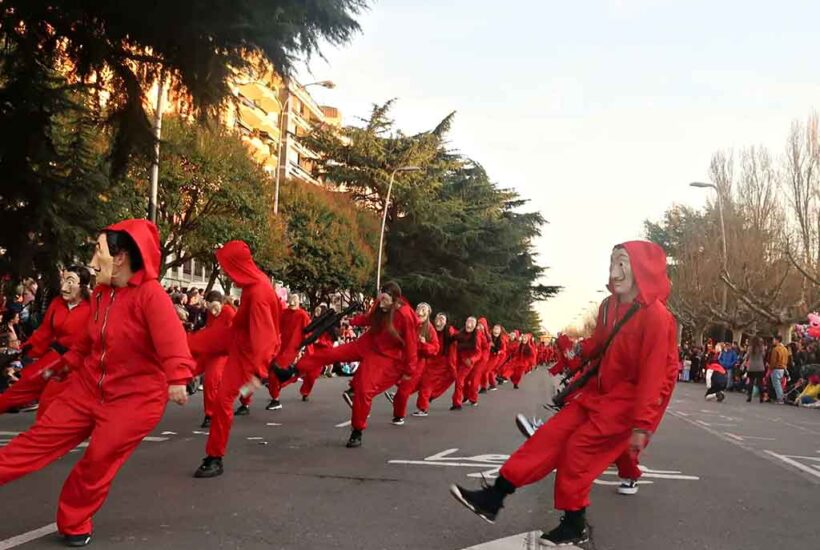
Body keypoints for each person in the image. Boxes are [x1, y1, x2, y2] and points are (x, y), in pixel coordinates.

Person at [450, 241, 678, 547]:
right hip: (598, 394)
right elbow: (598, 344)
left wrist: (642, 424)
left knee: (577, 453)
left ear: (642, 268)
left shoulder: (657, 318)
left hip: (626, 404)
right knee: (546, 439)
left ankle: (574, 524)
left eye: (622, 263)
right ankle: (494, 496)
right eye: (612, 263)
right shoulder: (609, 306)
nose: (614, 271)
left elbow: (654, 375)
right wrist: (573, 348)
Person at [0, 219, 194, 547]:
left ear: (119, 258)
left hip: (133, 402)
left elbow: (173, 342)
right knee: (36, 440)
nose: (92, 261)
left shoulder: (151, 296)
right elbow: (88, 344)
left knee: (97, 461)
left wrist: (178, 378)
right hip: (87, 388)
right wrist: (63, 367)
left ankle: (75, 520)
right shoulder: (102, 294)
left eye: (98, 251)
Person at [276, 282, 418, 448]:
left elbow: (411, 344)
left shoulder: (405, 315)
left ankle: (357, 430)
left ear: (394, 299)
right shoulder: (380, 305)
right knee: (330, 353)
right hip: (366, 344)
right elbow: (370, 319)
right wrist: (352, 321)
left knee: (364, 391)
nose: (382, 304)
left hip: (383, 356)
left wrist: (410, 369)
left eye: (385, 300)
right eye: (380, 299)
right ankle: (293, 370)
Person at [194, 241, 281, 478]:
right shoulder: (255, 285)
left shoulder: (260, 292)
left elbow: (265, 337)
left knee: (223, 400)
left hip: (246, 351)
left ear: (237, 266)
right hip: (237, 339)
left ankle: (215, 457)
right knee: (191, 342)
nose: (224, 273)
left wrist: (258, 373)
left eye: (226, 267)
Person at [0, 266, 92, 418]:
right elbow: (44, 333)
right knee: (22, 385)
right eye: (64, 280)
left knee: (50, 400)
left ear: (82, 286)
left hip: (76, 365)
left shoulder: (93, 307)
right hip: (54, 359)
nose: (64, 287)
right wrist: (22, 351)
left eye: (70, 282)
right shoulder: (57, 303)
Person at [187, 291, 237, 428]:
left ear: (222, 304)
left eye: (217, 308)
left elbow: (234, 336)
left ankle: (210, 414)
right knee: (191, 366)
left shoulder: (229, 313)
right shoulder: (208, 312)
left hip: (222, 352)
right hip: (211, 349)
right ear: (207, 304)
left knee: (211, 379)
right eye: (211, 308)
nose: (214, 311)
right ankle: (186, 383)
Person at [391, 302, 439, 425]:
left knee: (404, 390)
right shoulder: (408, 323)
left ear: (428, 314)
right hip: (401, 359)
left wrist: (423, 345)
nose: (420, 312)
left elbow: (435, 348)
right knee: (395, 387)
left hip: (417, 364)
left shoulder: (429, 329)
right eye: (418, 309)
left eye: (424, 310)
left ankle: (399, 416)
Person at [265, 292, 312, 410]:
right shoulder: (285, 313)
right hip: (280, 347)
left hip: (291, 349)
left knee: (274, 372)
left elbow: (308, 333)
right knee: (269, 371)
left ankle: (275, 398)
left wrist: (308, 350)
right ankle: (275, 389)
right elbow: (276, 326)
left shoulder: (302, 315)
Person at [414, 312, 457, 416]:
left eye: (442, 318)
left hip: (441, 364)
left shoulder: (449, 332)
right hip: (429, 361)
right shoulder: (431, 330)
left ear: (446, 322)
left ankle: (423, 408)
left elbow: (454, 350)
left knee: (426, 384)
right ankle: (402, 396)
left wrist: (452, 367)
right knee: (417, 379)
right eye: (437, 317)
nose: (439, 320)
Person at [449, 317, 481, 410]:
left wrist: (471, 360)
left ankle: (457, 403)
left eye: (472, 323)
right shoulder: (460, 333)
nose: (469, 324)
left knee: (460, 380)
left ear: (475, 326)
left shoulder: (476, 336)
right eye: (468, 321)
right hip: (458, 360)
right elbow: (452, 338)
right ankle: (465, 397)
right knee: (461, 381)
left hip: (467, 362)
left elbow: (478, 353)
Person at [743, 336, 766, 403]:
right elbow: (763, 355)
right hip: (760, 367)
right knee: (760, 383)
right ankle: (761, 397)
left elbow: (746, 356)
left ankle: (749, 396)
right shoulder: (761, 348)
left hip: (751, 367)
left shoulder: (750, 348)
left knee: (751, 382)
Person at [768, 335, 789, 404]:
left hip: (776, 368)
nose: (773, 341)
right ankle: (780, 397)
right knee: (779, 384)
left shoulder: (776, 349)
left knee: (777, 385)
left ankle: (780, 398)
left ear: (777, 340)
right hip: (783, 368)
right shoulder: (785, 349)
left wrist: (770, 368)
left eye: (774, 340)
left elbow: (773, 361)